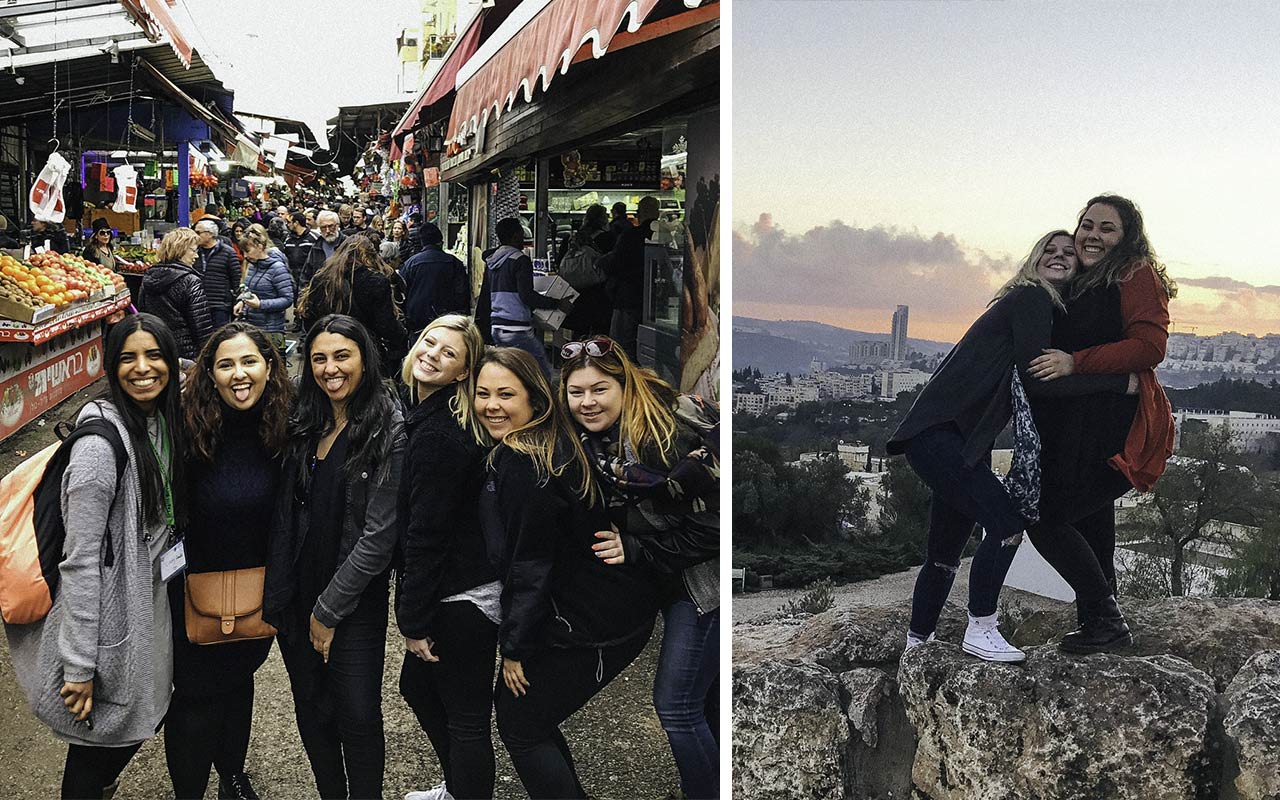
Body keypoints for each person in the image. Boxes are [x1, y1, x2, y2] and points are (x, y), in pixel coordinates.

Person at [886, 230, 1139, 662]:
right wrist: (1120, 382)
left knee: (944, 555)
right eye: (1049, 250)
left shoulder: (1026, 305)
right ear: (1033, 259)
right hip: (942, 436)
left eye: (1067, 254)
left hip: (953, 441)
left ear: (1077, 268)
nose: (1059, 257)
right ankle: (981, 628)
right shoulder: (1032, 299)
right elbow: (1039, 380)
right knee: (1005, 526)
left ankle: (917, 646)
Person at [6, 314, 185, 799]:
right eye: (128, 358)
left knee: (128, 728)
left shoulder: (157, 421)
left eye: (155, 356)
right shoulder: (98, 451)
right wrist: (79, 665)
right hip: (107, 623)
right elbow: (80, 561)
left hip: (143, 605)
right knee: (98, 742)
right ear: (110, 365)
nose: (143, 368)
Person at [479, 347, 661, 799]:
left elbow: (530, 563)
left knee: (521, 722)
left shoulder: (524, 461)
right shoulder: (558, 443)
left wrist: (515, 646)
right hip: (611, 609)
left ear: (536, 400)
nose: (492, 406)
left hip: (597, 625)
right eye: (482, 394)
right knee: (528, 718)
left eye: (506, 394)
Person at [559, 337, 720, 799]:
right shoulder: (603, 441)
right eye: (576, 392)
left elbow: (712, 526)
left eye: (599, 389)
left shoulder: (657, 435)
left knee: (676, 708)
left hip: (701, 586)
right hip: (676, 581)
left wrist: (636, 548)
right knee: (703, 702)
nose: (587, 402)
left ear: (624, 385)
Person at [1024, 195, 1178, 652]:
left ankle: (1107, 620)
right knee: (1092, 521)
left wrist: (1077, 362)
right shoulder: (1082, 280)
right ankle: (1097, 623)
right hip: (1074, 423)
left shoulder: (1135, 273)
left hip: (1110, 423)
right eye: (1086, 225)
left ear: (1126, 236)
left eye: (1106, 228)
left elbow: (1150, 346)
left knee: (1044, 515)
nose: (1092, 235)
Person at [263, 314, 405, 800]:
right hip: (296, 590)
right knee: (311, 706)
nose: (330, 369)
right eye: (319, 358)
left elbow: (378, 537)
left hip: (350, 599)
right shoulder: (306, 417)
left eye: (342, 356)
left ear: (365, 359)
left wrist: (327, 612)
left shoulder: (387, 425)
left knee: (358, 713)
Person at [167, 323, 293, 800]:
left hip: (258, 590)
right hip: (193, 592)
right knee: (197, 698)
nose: (239, 374)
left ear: (269, 367)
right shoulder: (187, 425)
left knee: (239, 684)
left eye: (248, 362)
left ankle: (233, 776)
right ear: (209, 373)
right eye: (225, 364)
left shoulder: (286, 424)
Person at [396, 315, 498, 800]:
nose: (433, 354)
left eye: (449, 353)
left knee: (467, 718)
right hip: (459, 588)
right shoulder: (430, 416)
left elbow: (427, 533)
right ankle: (459, 786)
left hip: (463, 595)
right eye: (429, 342)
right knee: (420, 689)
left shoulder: (439, 434)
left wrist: (412, 620)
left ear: (463, 373)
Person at [299, 235, 407, 374]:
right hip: (364, 351)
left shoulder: (321, 279)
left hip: (326, 348)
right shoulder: (375, 281)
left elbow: (309, 318)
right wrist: (401, 337)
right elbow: (385, 325)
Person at [475, 217, 567, 378]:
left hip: (497, 326)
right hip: (516, 328)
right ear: (516, 235)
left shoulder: (493, 261)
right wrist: (556, 304)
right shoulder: (520, 260)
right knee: (542, 373)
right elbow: (527, 296)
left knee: (511, 371)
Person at [139, 228, 214, 359]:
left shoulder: (149, 277)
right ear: (180, 250)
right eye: (193, 250)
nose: (196, 256)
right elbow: (201, 328)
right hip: (185, 353)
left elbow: (142, 313)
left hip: (156, 349)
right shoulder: (190, 281)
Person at [600, 196, 659, 360]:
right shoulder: (666, 236)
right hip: (656, 302)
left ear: (639, 213)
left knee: (622, 346)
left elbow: (616, 263)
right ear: (658, 213)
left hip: (628, 297)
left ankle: (626, 379)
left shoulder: (631, 235)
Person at [399, 222, 469, 340]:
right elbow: (462, 293)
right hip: (446, 319)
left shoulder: (411, 264)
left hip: (417, 320)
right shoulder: (454, 263)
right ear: (440, 242)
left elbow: (401, 292)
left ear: (422, 242)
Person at [559, 204, 615, 337]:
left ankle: (576, 355)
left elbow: (560, 261)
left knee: (579, 330)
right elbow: (613, 263)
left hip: (576, 293)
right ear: (603, 220)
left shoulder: (571, 238)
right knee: (600, 333)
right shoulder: (609, 239)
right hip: (600, 293)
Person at [236, 224, 294, 350]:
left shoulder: (277, 268)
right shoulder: (252, 265)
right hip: (252, 326)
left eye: (248, 251)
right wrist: (242, 301)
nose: (245, 256)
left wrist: (261, 304)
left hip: (272, 330)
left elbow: (287, 299)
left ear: (260, 247)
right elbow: (248, 289)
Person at [194, 219, 244, 328]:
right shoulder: (193, 252)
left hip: (220, 305)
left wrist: (237, 300)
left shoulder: (228, 252)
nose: (195, 236)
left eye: (198, 233)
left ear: (210, 234)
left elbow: (236, 278)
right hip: (198, 304)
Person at [301, 210, 345, 287]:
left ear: (337, 225)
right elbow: (306, 275)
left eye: (331, 226)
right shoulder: (316, 247)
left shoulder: (347, 244)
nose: (327, 231)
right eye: (323, 227)